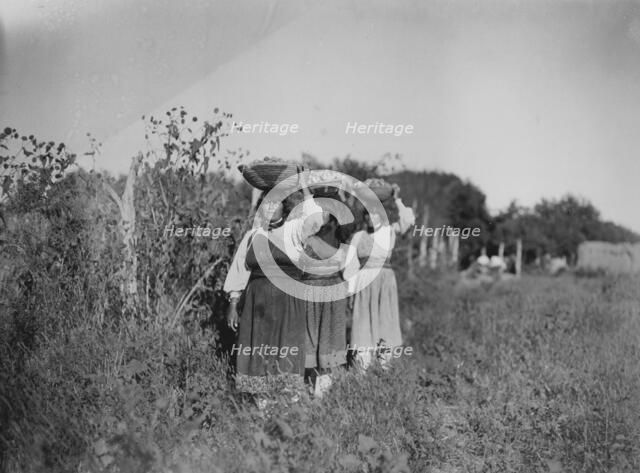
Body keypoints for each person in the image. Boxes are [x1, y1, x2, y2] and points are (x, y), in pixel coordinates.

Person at [223, 171, 326, 406]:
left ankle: (289, 412)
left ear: (285, 207)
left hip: (288, 303)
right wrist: (232, 304)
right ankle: (263, 411)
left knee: (287, 350)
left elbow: (316, 220)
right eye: (266, 206)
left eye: (276, 205)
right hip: (256, 307)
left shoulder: (294, 230)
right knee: (259, 353)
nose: (270, 210)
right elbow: (239, 270)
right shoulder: (252, 236)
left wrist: (303, 186)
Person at [345, 183, 415, 370]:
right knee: (362, 328)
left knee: (385, 324)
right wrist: (351, 293)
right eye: (367, 214)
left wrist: (397, 198)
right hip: (363, 284)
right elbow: (350, 266)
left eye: (375, 214)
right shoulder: (358, 236)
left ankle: (385, 370)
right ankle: (362, 371)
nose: (371, 218)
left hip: (385, 283)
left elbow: (408, 220)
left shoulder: (389, 231)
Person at [300, 193, 360, 398]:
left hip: (330, 293)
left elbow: (350, 268)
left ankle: (320, 395)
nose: (320, 212)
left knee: (328, 341)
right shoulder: (308, 233)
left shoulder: (339, 236)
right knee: (309, 340)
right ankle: (307, 391)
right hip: (311, 292)